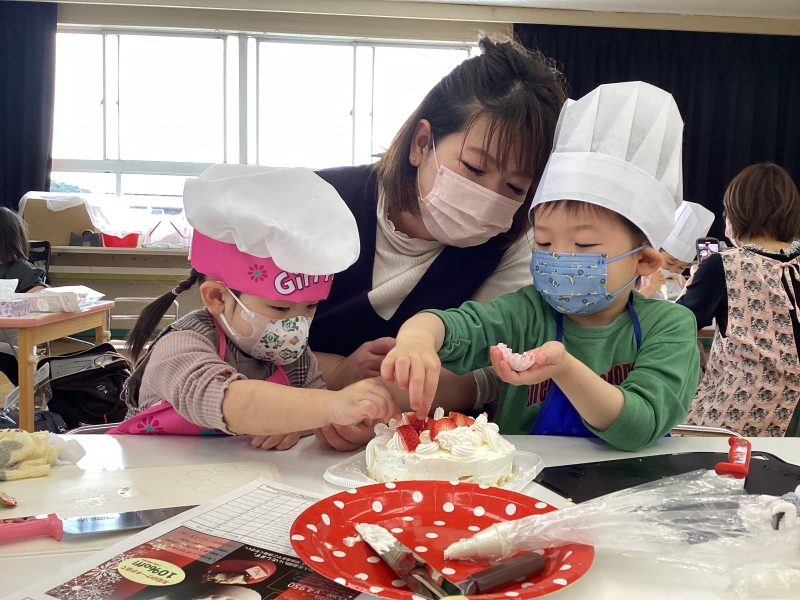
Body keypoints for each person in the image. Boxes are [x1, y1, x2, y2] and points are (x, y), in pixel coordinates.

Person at [381, 82, 700, 452]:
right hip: (527, 478)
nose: (558, 258)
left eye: (584, 245)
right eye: (545, 243)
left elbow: (639, 427)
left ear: (644, 260)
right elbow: (455, 326)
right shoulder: (529, 313)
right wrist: (418, 340)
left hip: (631, 478)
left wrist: (563, 368)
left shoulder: (670, 327)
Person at [311, 35, 566, 450]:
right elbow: (248, 341)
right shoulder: (321, 203)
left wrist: (380, 402)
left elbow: (489, 369)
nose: (489, 198)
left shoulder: (513, 244)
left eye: (515, 188)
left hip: (419, 445)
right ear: (421, 143)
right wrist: (335, 377)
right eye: (475, 168)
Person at [109, 165, 400, 449]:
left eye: (310, 307)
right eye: (280, 309)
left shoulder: (292, 356)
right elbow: (226, 399)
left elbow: (313, 411)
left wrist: (325, 426)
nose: (296, 326)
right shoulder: (181, 347)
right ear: (217, 298)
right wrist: (332, 405)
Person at [678, 163, 800, 437]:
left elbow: (675, 325)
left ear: (737, 213)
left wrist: (693, 284)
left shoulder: (723, 265)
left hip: (740, 419)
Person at [0, 206, 48, 386]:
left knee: (21, 374)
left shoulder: (20, 268)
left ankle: (29, 394)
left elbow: (41, 291)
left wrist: (18, 300)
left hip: (12, 343)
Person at [639, 201, 715, 301]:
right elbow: (627, 302)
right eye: (670, 262)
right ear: (656, 251)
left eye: (681, 267)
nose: (673, 270)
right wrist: (651, 288)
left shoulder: (680, 280)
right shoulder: (641, 276)